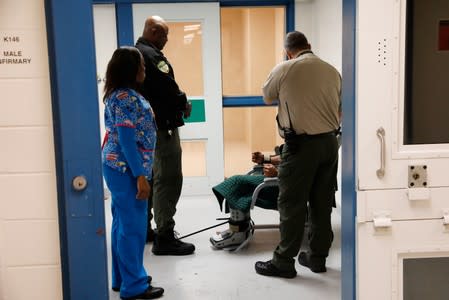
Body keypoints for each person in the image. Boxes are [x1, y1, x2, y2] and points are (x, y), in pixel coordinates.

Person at [255, 31, 341, 278]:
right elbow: (341, 107)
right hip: (329, 144)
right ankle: (317, 258)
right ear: (309, 46)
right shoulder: (332, 71)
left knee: (292, 204)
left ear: (287, 51)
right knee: (322, 203)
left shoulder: (285, 68)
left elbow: (267, 96)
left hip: (301, 146)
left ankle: (283, 261)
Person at [102, 47, 164, 299]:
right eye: (141, 64)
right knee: (133, 227)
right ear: (131, 69)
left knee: (122, 224)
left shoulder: (119, 94)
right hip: (127, 169)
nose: (144, 68)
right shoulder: (127, 98)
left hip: (117, 166)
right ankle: (134, 286)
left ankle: (123, 278)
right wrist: (140, 176)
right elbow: (127, 141)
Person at [136, 16, 195, 255]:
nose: (167, 40)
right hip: (162, 128)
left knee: (150, 178)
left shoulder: (136, 53)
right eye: (163, 35)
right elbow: (167, 86)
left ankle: (146, 228)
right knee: (168, 179)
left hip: (147, 129)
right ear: (152, 31)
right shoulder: (151, 56)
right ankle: (165, 236)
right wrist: (184, 102)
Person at [210, 150, 280, 250]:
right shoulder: (299, 141)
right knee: (240, 184)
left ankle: (237, 234)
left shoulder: (306, 142)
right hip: (283, 176)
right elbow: (286, 157)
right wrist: (265, 159)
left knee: (237, 182)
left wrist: (278, 172)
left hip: (285, 184)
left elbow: (300, 168)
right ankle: (236, 229)